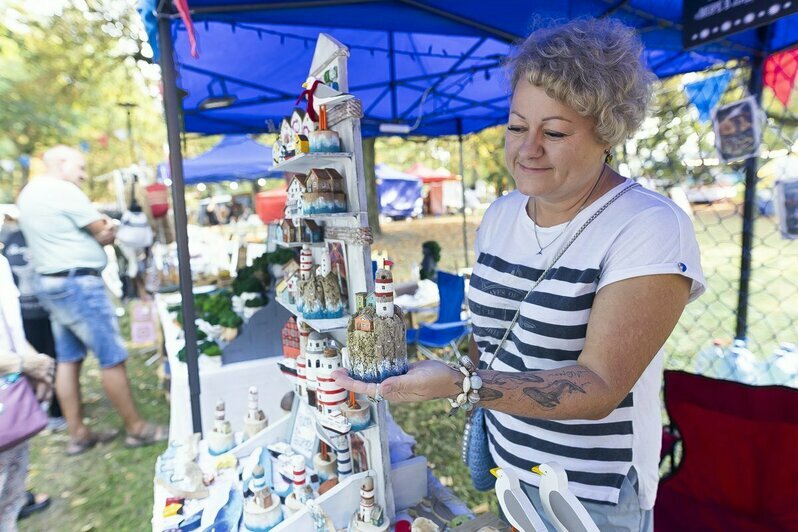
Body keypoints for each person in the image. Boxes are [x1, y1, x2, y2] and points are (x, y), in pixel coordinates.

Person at [334, 18, 705, 529]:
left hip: (588, 491)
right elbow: (486, 333)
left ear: (607, 132)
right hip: (510, 461)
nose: (527, 148)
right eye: (515, 126)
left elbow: (598, 386)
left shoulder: (648, 226)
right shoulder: (503, 213)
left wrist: (461, 385)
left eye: (553, 132)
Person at [16, 145, 167, 456]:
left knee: (68, 359)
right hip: (78, 284)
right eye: (80, 167)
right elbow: (103, 230)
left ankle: (78, 433)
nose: (84, 175)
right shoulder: (63, 191)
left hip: (51, 285)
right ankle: (136, 429)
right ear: (61, 162)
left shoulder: (28, 194)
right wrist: (108, 230)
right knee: (111, 355)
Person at [0, 254, 54, 528]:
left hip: (8, 401)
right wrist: (25, 364)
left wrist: (40, 368)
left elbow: (11, 331)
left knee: (11, 492)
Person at [1, 214, 66, 431]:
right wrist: (21, 364)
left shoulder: (2, 264)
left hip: (9, 412)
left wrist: (36, 364)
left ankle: (55, 412)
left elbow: (12, 330)